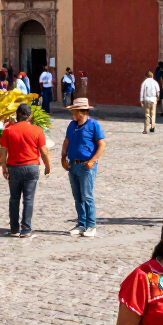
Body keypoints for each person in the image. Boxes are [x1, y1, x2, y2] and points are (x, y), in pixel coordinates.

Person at [0, 102, 51, 239]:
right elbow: (43, 151)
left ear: (17, 115)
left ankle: (14, 229)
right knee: (28, 199)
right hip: (31, 167)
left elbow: (3, 151)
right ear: (30, 115)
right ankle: (26, 229)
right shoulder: (37, 130)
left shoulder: (8, 130)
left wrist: (4, 167)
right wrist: (47, 165)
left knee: (14, 199)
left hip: (14, 167)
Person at [61, 97, 106, 237]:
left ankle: (91, 225)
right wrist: (63, 157)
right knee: (77, 196)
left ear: (81, 111)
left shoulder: (93, 125)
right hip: (73, 164)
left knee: (87, 195)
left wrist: (92, 160)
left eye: (74, 111)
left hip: (86, 166)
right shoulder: (72, 125)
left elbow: (102, 144)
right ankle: (81, 224)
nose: (72, 114)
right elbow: (66, 141)